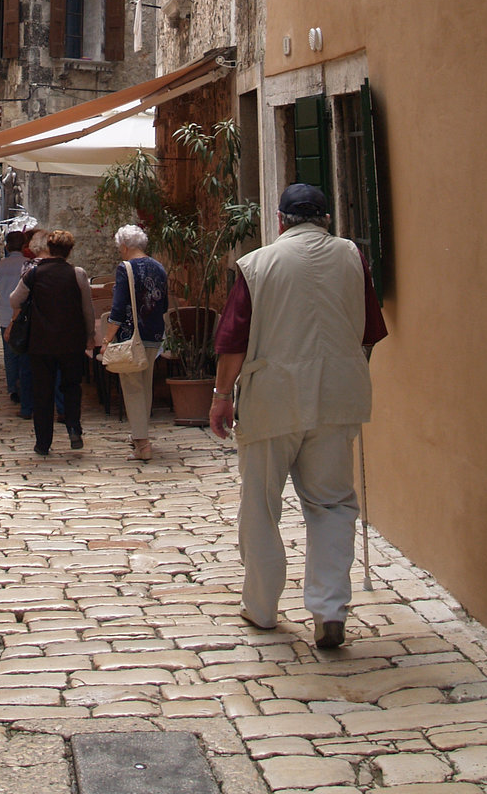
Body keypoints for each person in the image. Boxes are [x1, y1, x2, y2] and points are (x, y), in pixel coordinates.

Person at [210, 183, 387, 649]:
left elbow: (233, 341)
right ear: (326, 217)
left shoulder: (257, 264)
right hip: (336, 397)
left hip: (273, 397)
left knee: (261, 506)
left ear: (282, 219)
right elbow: (370, 328)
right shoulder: (352, 257)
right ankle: (330, 609)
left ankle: (263, 608)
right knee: (332, 505)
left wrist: (220, 395)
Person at [10, 229, 95, 456]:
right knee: (71, 387)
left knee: (42, 391)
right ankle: (74, 429)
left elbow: (14, 299)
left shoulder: (35, 274)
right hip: (71, 341)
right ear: (69, 251)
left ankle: (43, 441)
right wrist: (90, 335)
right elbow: (87, 309)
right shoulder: (77, 274)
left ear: (49, 248)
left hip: (41, 341)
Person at [102, 224, 169, 462]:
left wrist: (107, 339)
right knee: (145, 386)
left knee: (132, 389)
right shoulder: (159, 267)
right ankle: (141, 436)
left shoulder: (126, 268)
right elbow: (165, 304)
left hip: (132, 336)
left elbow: (118, 309)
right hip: (154, 334)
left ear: (125, 246)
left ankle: (142, 443)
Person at [0, 230, 35, 417]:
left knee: (9, 353)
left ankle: (13, 387)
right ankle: (23, 385)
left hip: (4, 312)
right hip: (24, 314)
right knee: (24, 353)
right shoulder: (28, 266)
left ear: (7, 246)